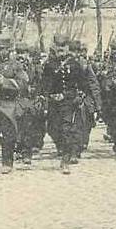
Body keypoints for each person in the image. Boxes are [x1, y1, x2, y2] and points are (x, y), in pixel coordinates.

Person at [42, 39, 95, 174]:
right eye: (58, 47)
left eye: (63, 47)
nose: (60, 50)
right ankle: (61, 147)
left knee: (66, 129)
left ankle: (65, 159)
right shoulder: (49, 65)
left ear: (67, 48)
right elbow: (44, 84)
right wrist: (45, 96)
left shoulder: (75, 65)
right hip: (54, 102)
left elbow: (83, 84)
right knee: (53, 128)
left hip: (69, 103)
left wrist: (79, 96)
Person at [0, 38, 31, 173]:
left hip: (8, 104)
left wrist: (6, 82)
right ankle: (9, 146)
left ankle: (7, 162)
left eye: (0, 49)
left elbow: (23, 84)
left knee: (8, 133)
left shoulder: (16, 66)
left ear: (8, 51)